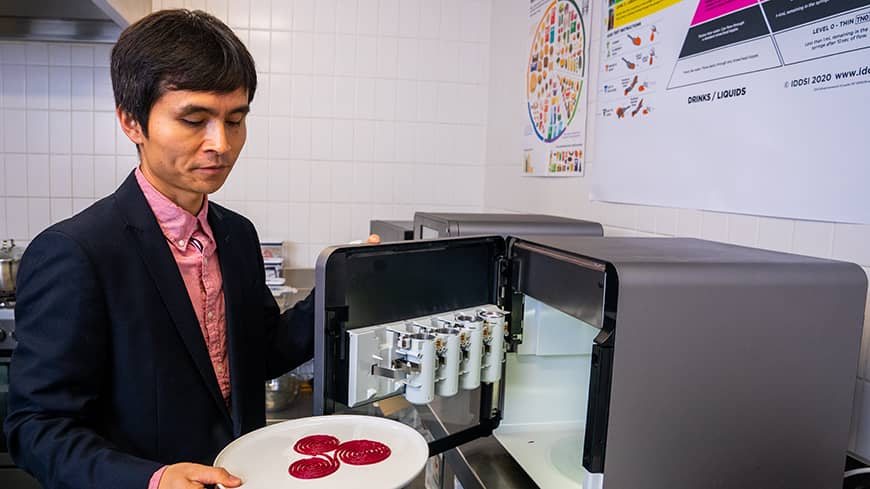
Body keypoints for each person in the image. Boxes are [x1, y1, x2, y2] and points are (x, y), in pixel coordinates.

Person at [5, 9, 314, 489]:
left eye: (235, 120)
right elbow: (35, 428)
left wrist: (342, 281)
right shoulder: (77, 252)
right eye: (195, 119)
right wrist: (152, 480)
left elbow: (260, 354)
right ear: (132, 121)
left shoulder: (237, 235)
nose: (221, 144)